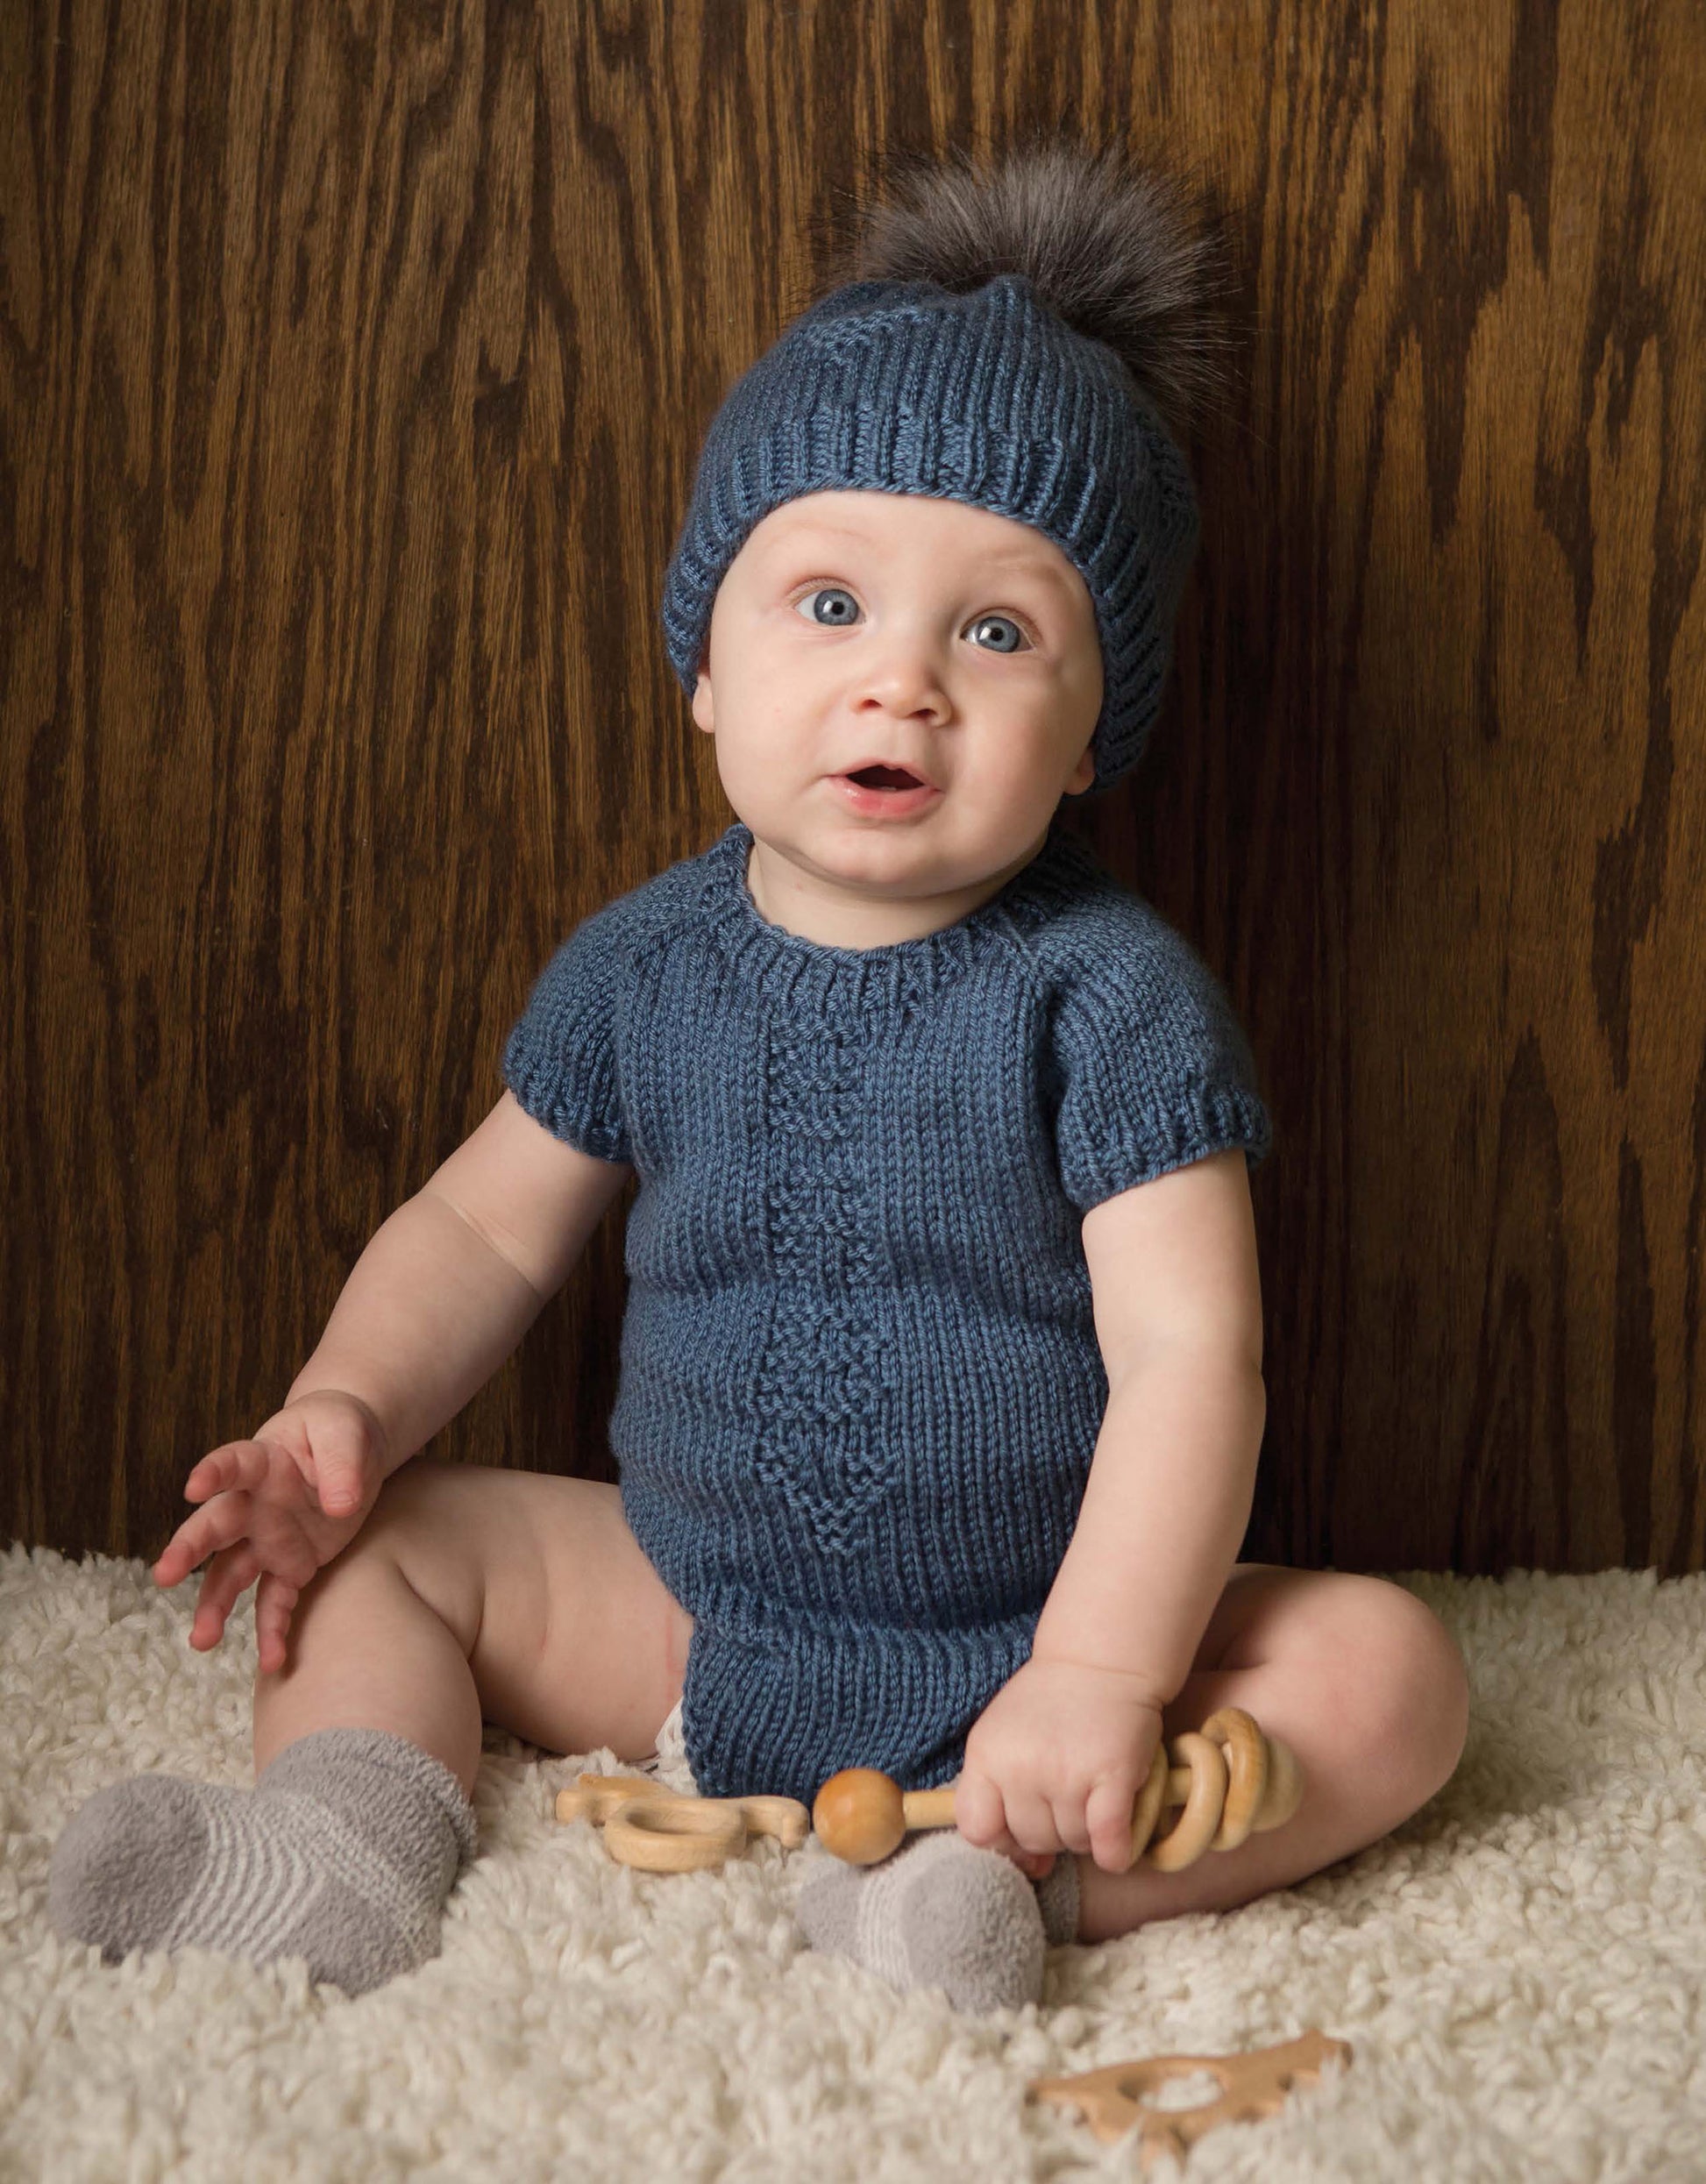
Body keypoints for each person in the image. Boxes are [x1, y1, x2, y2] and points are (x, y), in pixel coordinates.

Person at [50, 140, 1468, 2011]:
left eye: (996, 629)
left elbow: (1192, 1358)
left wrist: (1105, 1676)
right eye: (825, 605)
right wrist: (344, 1406)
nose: (903, 685)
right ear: (702, 666)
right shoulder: (646, 963)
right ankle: (338, 1836)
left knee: (1393, 1679)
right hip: (688, 1613)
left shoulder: (1108, 999)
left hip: (1034, 1644)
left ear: (1091, 733)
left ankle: (997, 1889)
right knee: (386, 1546)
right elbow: (482, 1222)